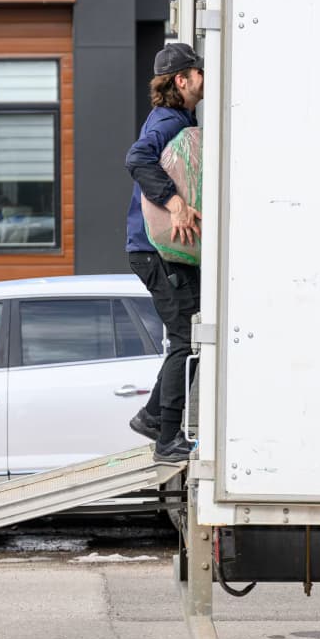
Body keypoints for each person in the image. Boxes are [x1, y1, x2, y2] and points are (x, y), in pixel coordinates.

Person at [125, 42, 204, 465]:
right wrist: (174, 201)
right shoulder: (168, 120)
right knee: (186, 340)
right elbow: (137, 158)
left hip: (163, 252)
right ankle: (167, 439)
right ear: (182, 79)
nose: (204, 79)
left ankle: (154, 416)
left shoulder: (180, 118)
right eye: (199, 72)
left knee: (189, 333)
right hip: (153, 252)